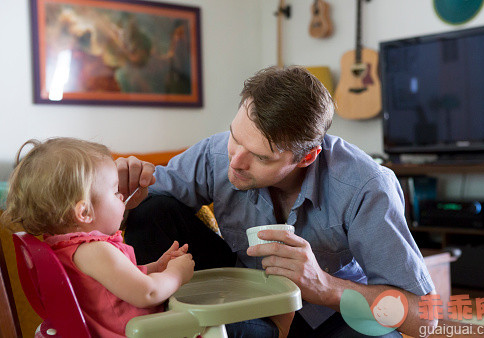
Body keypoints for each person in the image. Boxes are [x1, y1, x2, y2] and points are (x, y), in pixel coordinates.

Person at [116, 66, 437, 337]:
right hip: (241, 296)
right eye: (235, 137)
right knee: (150, 208)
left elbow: (424, 315)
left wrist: (325, 286)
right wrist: (121, 196)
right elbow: (134, 215)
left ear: (306, 157)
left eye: (260, 156)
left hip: (329, 313)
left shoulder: (366, 185)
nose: (235, 162)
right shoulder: (217, 154)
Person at [0, 138, 195, 337]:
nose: (122, 197)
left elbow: (116, 285)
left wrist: (158, 267)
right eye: (115, 191)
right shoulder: (95, 250)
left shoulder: (69, 249)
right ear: (84, 212)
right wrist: (176, 273)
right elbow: (148, 293)